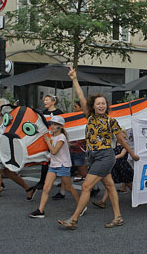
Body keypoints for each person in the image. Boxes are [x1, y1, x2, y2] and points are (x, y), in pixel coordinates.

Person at [58, 67, 138, 230]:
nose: (101, 106)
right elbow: (81, 96)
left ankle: (73, 220)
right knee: (109, 186)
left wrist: (132, 155)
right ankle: (118, 217)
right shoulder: (89, 116)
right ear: (93, 106)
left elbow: (122, 141)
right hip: (93, 156)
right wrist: (74, 79)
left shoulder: (111, 121)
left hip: (105, 157)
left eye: (103, 103)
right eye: (98, 103)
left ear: (106, 106)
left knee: (86, 187)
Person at [0, 99, 39, 206]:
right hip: (0, 149)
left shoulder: (9, 119)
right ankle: (29, 189)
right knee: (9, 173)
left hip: (6, 150)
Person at [30, 116, 80, 218]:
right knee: (46, 188)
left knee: (69, 188)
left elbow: (54, 151)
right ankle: (40, 210)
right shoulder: (52, 136)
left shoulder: (61, 137)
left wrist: (48, 142)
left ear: (61, 126)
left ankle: (81, 206)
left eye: (56, 124)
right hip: (53, 165)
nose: (53, 126)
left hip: (63, 165)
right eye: (52, 124)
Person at [36, 94, 65, 193]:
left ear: (53, 102)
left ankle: (64, 182)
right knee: (45, 160)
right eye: (44, 100)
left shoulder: (59, 112)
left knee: (58, 160)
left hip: (56, 138)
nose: (45, 102)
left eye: (47, 100)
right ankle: (42, 180)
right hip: (46, 138)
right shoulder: (43, 112)